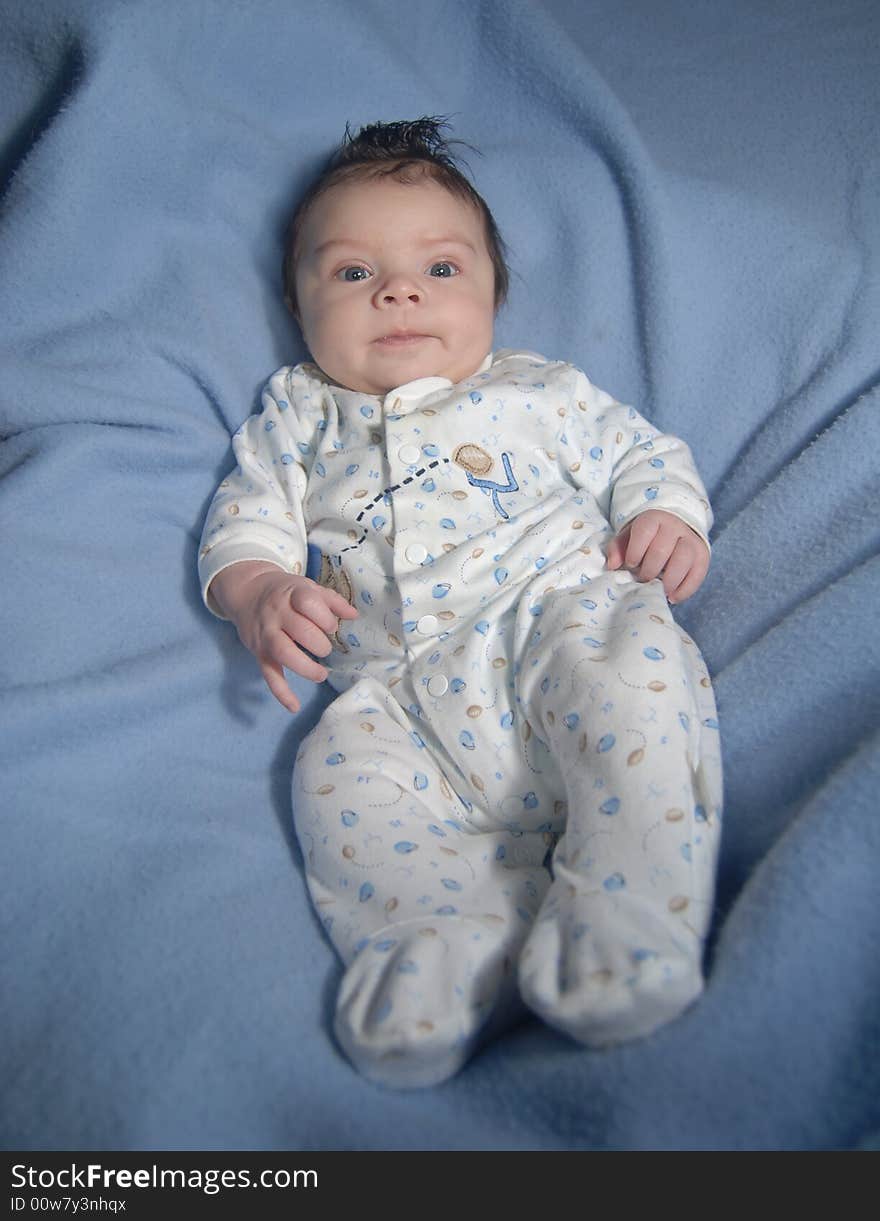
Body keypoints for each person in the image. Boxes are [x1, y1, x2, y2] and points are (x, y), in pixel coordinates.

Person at [198, 117, 722, 1088]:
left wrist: (663, 515)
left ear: (493, 294)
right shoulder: (299, 412)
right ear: (298, 303)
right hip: (392, 690)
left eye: (439, 269)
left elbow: (644, 455)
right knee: (333, 778)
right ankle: (438, 938)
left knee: (632, 691)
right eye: (351, 273)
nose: (396, 290)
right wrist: (260, 590)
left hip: (554, 619)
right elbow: (246, 524)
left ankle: (627, 911)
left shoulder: (541, 392)